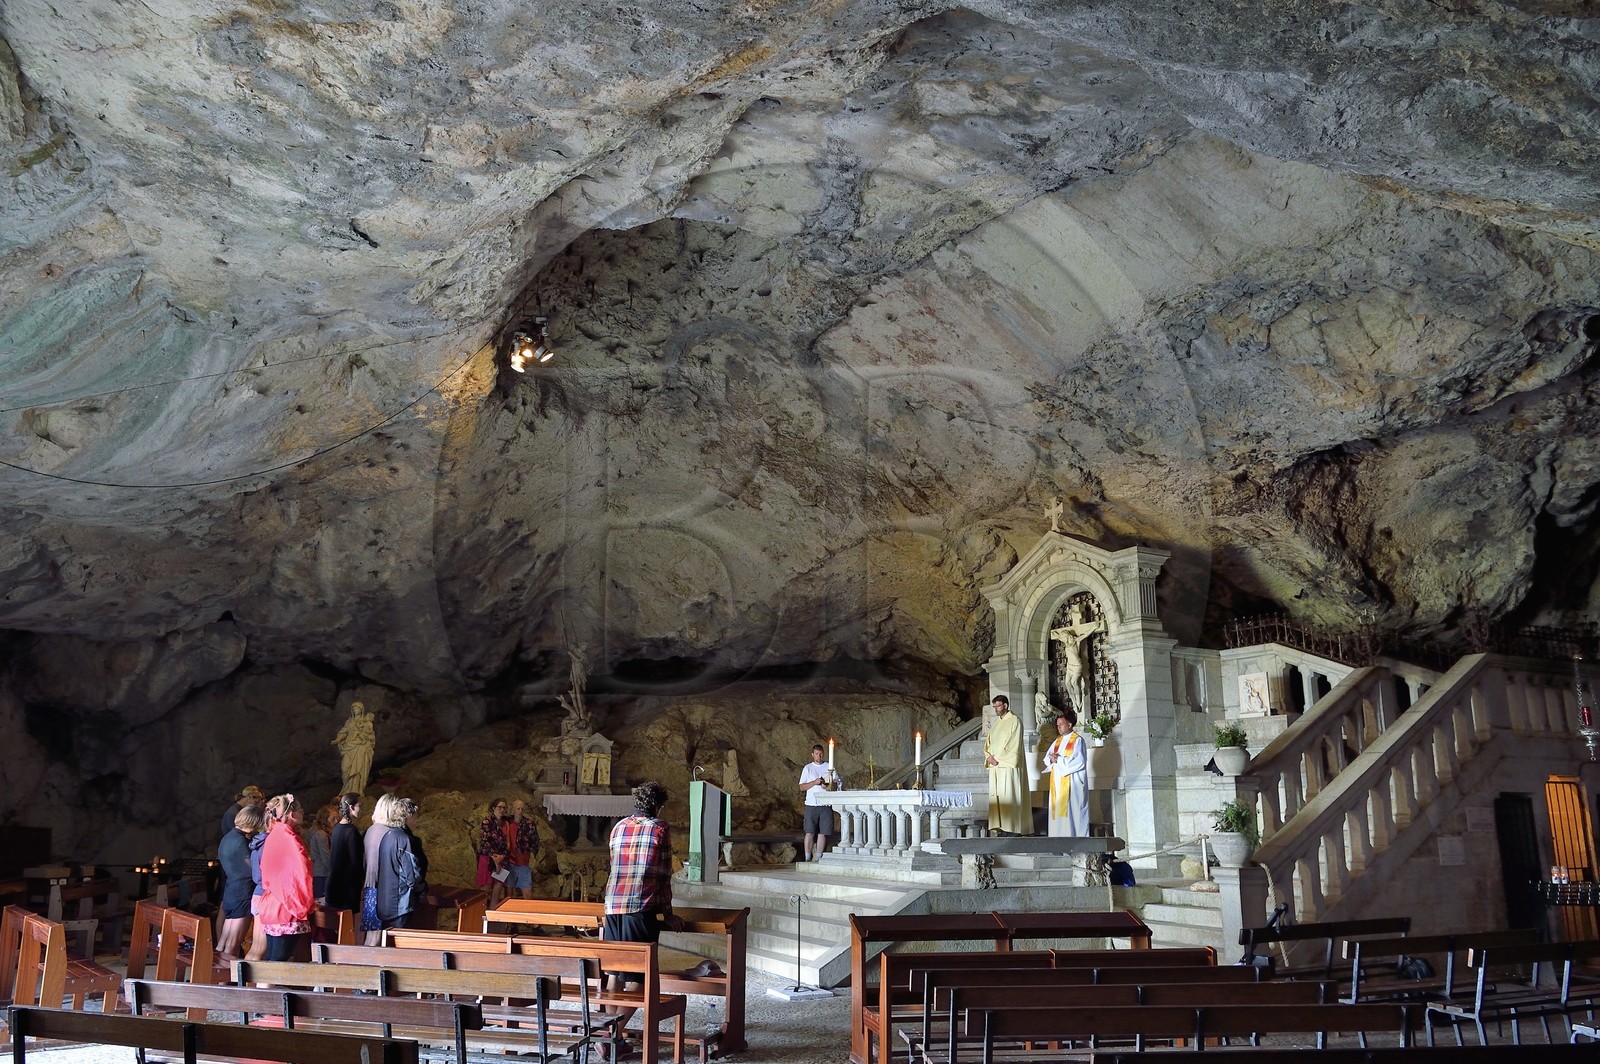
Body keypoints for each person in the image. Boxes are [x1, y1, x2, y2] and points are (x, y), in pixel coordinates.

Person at [602, 782, 683, 1050]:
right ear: (659, 805)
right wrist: (668, 913)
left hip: (613, 905)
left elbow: (615, 865)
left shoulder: (619, 826)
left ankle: (612, 1035)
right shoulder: (660, 828)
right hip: (640, 906)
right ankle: (611, 1036)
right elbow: (663, 875)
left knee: (615, 973)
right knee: (640, 978)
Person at [257, 794, 315, 961]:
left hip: (272, 902)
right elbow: (300, 872)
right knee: (278, 962)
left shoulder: (275, 834)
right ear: (292, 814)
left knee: (272, 959)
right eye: (300, 810)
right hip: (285, 907)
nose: (303, 813)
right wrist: (306, 903)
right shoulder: (289, 838)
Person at [365, 795, 421, 938]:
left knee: (379, 940)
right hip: (398, 901)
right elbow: (411, 875)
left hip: (381, 896)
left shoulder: (384, 834)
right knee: (397, 941)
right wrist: (421, 888)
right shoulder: (402, 838)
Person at [216, 804, 264, 956]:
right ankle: (225, 972)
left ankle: (217, 971)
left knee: (223, 943)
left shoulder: (227, 838)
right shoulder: (241, 842)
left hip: (230, 890)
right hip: (242, 892)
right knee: (232, 944)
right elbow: (252, 870)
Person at [984, 694, 1030, 835]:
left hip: (1008, 766)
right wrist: (988, 757)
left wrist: (997, 758)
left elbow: (1014, 744)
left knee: (1009, 795)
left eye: (998, 706)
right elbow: (988, 743)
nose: (996, 709)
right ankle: (1000, 827)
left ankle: (1012, 828)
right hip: (996, 767)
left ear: (1005, 705)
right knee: (998, 797)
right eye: (994, 707)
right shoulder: (996, 723)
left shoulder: (1015, 721)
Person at [1043, 710, 1090, 836]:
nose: (1058, 727)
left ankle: (1075, 841)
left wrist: (1058, 759)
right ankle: (1058, 840)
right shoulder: (1057, 741)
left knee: (1072, 812)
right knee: (1058, 812)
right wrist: (1051, 759)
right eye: (1057, 725)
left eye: (1061, 724)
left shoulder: (1077, 740)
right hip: (1057, 783)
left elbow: (1079, 762)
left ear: (1069, 725)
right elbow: (1047, 758)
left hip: (1072, 783)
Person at [325, 792, 365, 914]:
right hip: (346, 888)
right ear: (351, 807)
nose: (362, 809)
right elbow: (356, 863)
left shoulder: (337, 828)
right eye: (360, 805)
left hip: (333, 883)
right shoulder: (351, 831)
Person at [797, 744, 836, 862]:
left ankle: (819, 858)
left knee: (823, 832)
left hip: (825, 804)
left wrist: (827, 785)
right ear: (812, 755)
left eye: (821, 754)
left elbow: (836, 784)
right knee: (809, 831)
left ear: (823, 754)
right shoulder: (808, 768)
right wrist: (814, 782)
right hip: (811, 804)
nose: (819, 756)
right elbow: (802, 787)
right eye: (817, 754)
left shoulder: (829, 767)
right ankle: (807, 857)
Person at [334, 701, 376, 797]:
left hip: (360, 748)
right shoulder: (350, 722)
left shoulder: (366, 722)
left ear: (361, 710)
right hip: (349, 748)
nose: (355, 710)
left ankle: (356, 791)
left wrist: (365, 739)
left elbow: (371, 737)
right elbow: (344, 732)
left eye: (357, 708)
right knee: (345, 767)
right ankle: (346, 789)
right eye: (354, 709)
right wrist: (338, 739)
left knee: (358, 770)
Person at [476, 798, 510, 908]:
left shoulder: (506, 823)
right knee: (485, 888)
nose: (502, 810)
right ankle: (480, 913)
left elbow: (508, 843)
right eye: (499, 807)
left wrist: (502, 856)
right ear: (494, 808)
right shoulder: (487, 822)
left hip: (501, 858)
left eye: (504, 807)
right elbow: (485, 841)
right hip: (488, 858)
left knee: (498, 887)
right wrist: (495, 858)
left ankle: (492, 912)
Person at [503, 799, 539, 900]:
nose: (520, 811)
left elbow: (535, 841)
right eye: (518, 808)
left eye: (522, 809)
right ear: (513, 809)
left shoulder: (529, 824)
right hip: (509, 861)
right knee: (508, 893)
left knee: (527, 893)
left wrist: (532, 855)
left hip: (523, 862)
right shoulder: (507, 822)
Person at [307, 802, 335, 902]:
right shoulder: (321, 835)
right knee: (323, 902)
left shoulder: (320, 833)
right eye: (333, 819)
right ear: (325, 820)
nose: (336, 821)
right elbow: (326, 858)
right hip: (322, 874)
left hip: (320, 873)